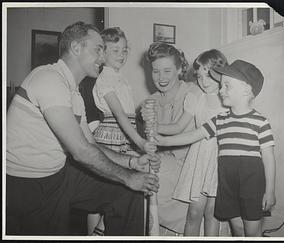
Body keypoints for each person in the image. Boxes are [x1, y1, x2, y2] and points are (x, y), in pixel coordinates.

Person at [6, 21, 160, 236]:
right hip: (24, 186)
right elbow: (81, 151)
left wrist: (132, 162)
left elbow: (91, 145)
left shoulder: (74, 93)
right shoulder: (48, 78)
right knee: (129, 183)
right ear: (76, 48)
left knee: (127, 193)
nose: (103, 56)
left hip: (58, 176)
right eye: (98, 48)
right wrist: (129, 177)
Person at [154, 59, 277, 237]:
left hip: (251, 183)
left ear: (246, 89)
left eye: (226, 86)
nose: (220, 90)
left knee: (251, 231)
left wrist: (270, 191)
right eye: (221, 85)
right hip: (227, 185)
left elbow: (268, 158)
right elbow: (193, 135)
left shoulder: (260, 122)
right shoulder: (220, 120)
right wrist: (163, 141)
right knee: (237, 227)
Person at [88, 27, 156, 235]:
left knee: (117, 192)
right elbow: (119, 115)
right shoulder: (105, 79)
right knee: (102, 193)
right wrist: (140, 142)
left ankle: (102, 230)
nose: (121, 55)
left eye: (124, 50)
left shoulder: (120, 78)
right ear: (102, 53)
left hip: (124, 137)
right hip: (111, 137)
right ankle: (93, 233)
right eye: (115, 50)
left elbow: (128, 116)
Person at [158, 49, 228, 236]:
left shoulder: (228, 102)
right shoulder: (196, 99)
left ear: (221, 74)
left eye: (209, 76)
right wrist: (155, 128)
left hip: (221, 160)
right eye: (200, 76)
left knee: (213, 214)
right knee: (194, 212)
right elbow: (178, 127)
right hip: (200, 159)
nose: (204, 81)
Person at [140, 42, 202, 235]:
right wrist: (145, 123)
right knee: (135, 167)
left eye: (167, 71)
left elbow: (181, 131)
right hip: (165, 162)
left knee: (144, 173)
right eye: (156, 71)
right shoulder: (150, 101)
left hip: (191, 165)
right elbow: (150, 142)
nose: (161, 78)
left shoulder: (193, 92)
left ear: (179, 69)